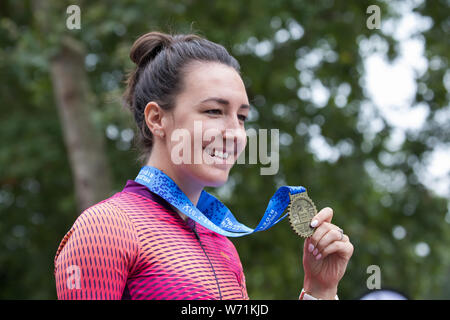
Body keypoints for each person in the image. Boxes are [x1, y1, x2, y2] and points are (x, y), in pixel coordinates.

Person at [54, 31, 354, 300]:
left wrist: (320, 290)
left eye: (242, 117)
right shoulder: (106, 228)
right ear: (157, 119)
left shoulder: (223, 247)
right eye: (214, 111)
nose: (235, 133)